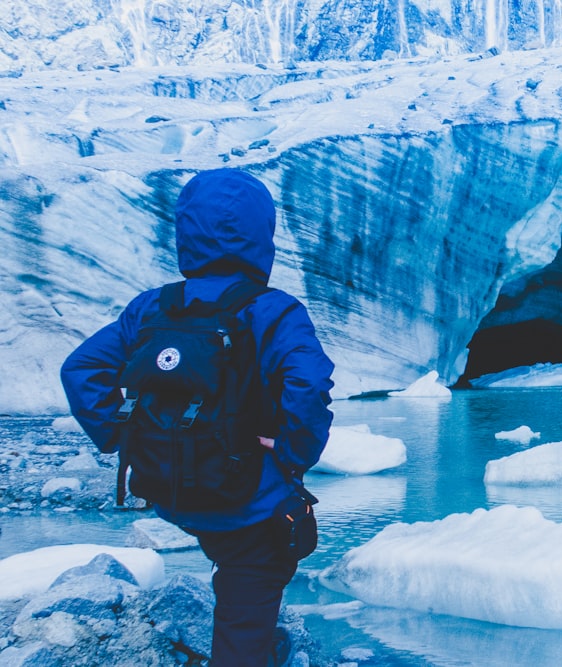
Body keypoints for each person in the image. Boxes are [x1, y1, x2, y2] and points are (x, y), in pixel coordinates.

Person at [61, 168, 335, 666]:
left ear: (186, 230)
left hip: (170, 489)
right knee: (254, 575)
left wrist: (123, 436)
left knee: (232, 558)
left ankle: (252, 638)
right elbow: (309, 385)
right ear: (261, 233)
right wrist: (294, 454)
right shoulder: (272, 311)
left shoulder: (153, 308)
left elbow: (81, 369)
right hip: (246, 500)